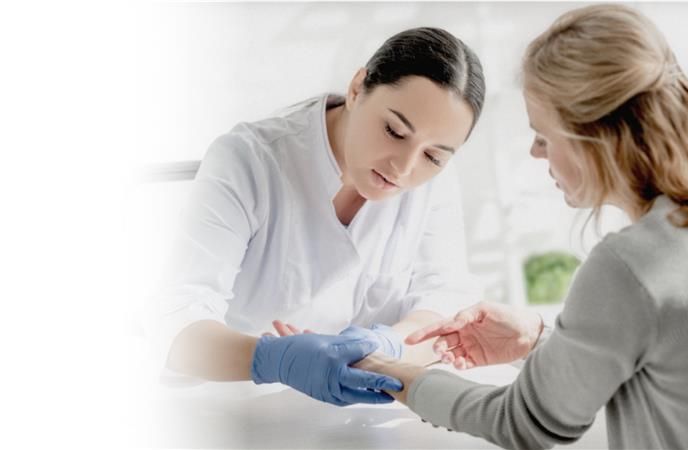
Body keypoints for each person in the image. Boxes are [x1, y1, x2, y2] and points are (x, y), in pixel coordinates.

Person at [356, 4, 688, 449]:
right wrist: (538, 339)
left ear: (593, 138)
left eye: (544, 136)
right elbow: (682, 355)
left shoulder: (633, 265)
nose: (535, 153)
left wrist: (393, 374)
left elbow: (525, 423)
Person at [144, 27, 486, 406]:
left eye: (433, 157)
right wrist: (271, 360)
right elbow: (173, 319)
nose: (405, 167)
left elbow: (447, 298)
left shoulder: (434, 182)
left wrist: (388, 343)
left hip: (366, 415)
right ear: (357, 88)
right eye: (394, 130)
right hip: (233, 409)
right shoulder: (248, 161)